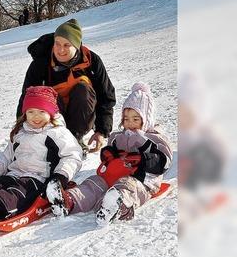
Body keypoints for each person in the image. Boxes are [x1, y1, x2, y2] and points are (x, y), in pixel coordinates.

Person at [46, 83, 173, 226]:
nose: (130, 123)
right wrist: (108, 154)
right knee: (93, 183)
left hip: (141, 181)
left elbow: (164, 161)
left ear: (147, 119)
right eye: (126, 119)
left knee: (127, 186)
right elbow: (108, 150)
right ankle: (68, 201)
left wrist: (143, 159)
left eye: (135, 119)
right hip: (111, 175)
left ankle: (117, 207)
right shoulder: (117, 136)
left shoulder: (154, 138)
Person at [0, 86, 82, 221]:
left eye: (42, 111)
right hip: (13, 173)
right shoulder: (20, 132)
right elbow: (7, 157)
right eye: (31, 112)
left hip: (38, 179)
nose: (36, 117)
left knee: (16, 194)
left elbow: (72, 156)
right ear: (25, 113)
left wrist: (60, 177)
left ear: (51, 112)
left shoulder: (58, 133)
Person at [16, 18, 116, 154]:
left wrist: (101, 131)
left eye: (66, 45)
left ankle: (75, 138)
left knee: (83, 89)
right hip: (51, 119)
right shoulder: (40, 64)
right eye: (57, 43)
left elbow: (106, 97)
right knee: (45, 94)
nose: (60, 50)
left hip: (81, 116)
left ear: (77, 45)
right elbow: (27, 98)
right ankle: (49, 141)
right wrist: (20, 133)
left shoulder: (92, 61)